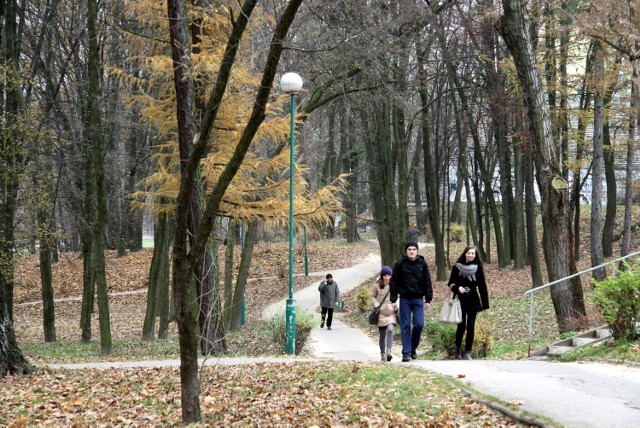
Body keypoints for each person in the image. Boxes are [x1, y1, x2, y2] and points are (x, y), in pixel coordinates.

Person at [390, 241, 433, 362]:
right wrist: (393, 299)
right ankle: (406, 353)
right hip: (405, 299)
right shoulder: (400, 264)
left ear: (417, 251)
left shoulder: (422, 264)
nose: (412, 251)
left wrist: (428, 299)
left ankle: (413, 348)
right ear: (406, 251)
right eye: (409, 249)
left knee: (419, 324)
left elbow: (427, 281)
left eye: (414, 249)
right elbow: (394, 282)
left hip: (418, 299)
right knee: (405, 325)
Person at [447, 246, 490, 360]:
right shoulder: (457, 267)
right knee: (461, 326)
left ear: (475, 255)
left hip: (473, 300)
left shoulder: (478, 268)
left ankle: (468, 352)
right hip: (460, 300)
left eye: (473, 253)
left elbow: (482, 287)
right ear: (465, 254)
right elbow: (451, 283)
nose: (470, 255)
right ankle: (457, 351)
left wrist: (486, 306)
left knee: (471, 326)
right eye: (469, 253)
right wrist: (457, 288)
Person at [371, 266, 397, 362]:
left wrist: (396, 305)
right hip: (381, 314)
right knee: (382, 335)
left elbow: (398, 296)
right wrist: (376, 304)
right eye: (385, 275)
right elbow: (372, 296)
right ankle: (382, 353)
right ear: (382, 276)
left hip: (391, 313)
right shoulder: (377, 286)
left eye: (389, 275)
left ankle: (388, 351)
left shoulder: (394, 285)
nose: (387, 277)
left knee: (390, 330)